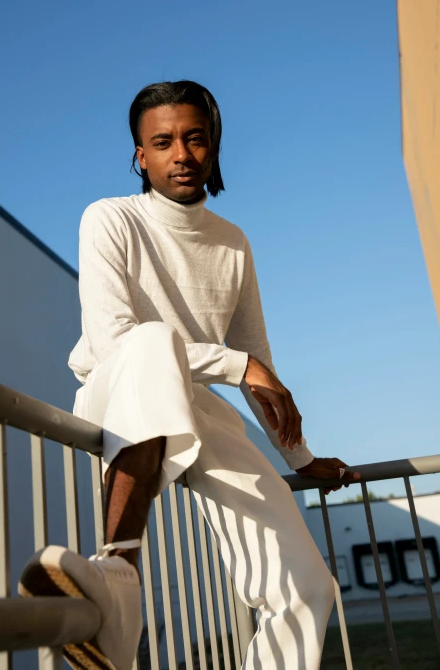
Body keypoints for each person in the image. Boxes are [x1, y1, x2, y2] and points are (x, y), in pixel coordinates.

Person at [19, 80, 361, 670]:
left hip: (200, 406)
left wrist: (302, 460)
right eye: (163, 142)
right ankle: (119, 574)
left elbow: (257, 362)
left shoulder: (233, 243)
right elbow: (113, 339)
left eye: (195, 138)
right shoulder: (109, 218)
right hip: (119, 387)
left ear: (214, 146)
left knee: (306, 586)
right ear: (140, 155)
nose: (182, 153)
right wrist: (236, 364)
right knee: (152, 342)